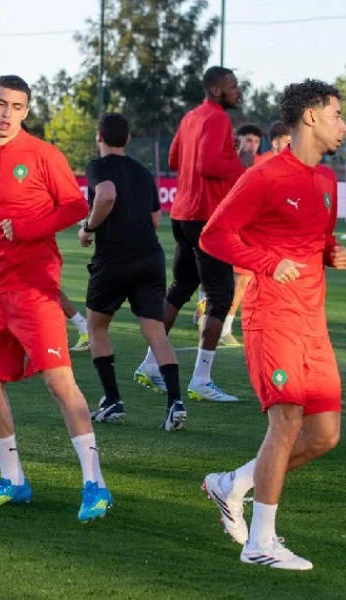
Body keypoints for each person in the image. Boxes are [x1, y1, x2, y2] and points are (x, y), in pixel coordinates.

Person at [0, 74, 111, 522]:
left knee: (59, 382)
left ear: (26, 111)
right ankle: (13, 480)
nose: (7, 113)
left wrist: (27, 229)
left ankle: (95, 483)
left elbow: (75, 206)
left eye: (17, 106)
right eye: (1, 103)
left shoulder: (43, 154)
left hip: (35, 287)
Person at [200, 79, 345, 570]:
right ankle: (260, 543)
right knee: (286, 422)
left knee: (324, 435)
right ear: (310, 118)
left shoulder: (326, 181)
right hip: (272, 318)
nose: (342, 125)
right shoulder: (264, 176)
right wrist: (266, 262)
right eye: (337, 114)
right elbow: (213, 235)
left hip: (313, 325)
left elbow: (317, 239)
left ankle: (232, 484)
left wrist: (331, 253)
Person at [134, 66, 250, 402]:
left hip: (182, 213)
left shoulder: (190, 117)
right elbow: (208, 166)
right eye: (233, 85)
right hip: (206, 217)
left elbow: (174, 159)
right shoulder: (217, 118)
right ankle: (201, 380)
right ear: (216, 90)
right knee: (221, 297)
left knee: (182, 286)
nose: (238, 90)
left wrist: (223, 153)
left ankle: (150, 363)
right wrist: (238, 162)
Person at [81, 113, 187, 430]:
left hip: (114, 258)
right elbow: (155, 219)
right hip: (150, 256)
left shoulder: (97, 167)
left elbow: (106, 194)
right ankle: (175, 402)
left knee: (96, 328)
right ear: (127, 139)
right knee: (155, 331)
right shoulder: (142, 171)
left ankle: (113, 400)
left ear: (99, 136)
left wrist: (89, 227)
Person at [20, 123, 89, 351]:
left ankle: (78, 331)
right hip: (16, 241)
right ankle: (81, 329)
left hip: (37, 242)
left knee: (44, 290)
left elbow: (68, 203)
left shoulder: (40, 163)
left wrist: (83, 225)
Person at [219, 123, 265, 347]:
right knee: (237, 279)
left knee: (243, 279)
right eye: (249, 140)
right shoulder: (227, 163)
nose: (252, 145)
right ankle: (223, 328)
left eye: (256, 142)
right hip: (227, 228)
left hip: (248, 230)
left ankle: (216, 320)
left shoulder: (260, 163)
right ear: (238, 140)